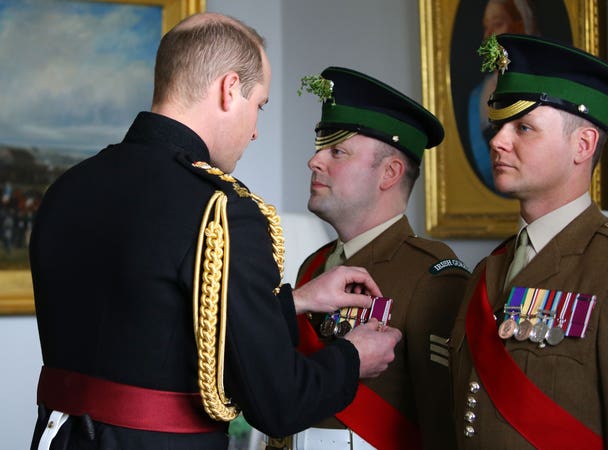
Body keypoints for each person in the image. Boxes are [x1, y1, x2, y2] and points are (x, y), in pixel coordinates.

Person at [28, 13, 403, 450]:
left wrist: (295, 302)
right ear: (229, 90)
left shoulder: (67, 188)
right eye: (258, 104)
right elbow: (277, 403)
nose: (257, 130)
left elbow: (151, 320)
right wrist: (353, 357)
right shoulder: (221, 212)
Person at [450, 33, 608, 449]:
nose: (498, 140)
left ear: (583, 145)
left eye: (524, 127)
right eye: (500, 125)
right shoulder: (489, 269)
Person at [268, 67, 470, 449]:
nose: (314, 161)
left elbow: (442, 420)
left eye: (337, 151)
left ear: (390, 172)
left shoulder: (432, 275)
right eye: (319, 148)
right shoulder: (315, 264)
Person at [467, 0, 538, 192]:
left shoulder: (542, 88)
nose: (488, 35)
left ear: (520, 25)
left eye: (497, 24)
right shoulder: (478, 96)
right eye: (485, 26)